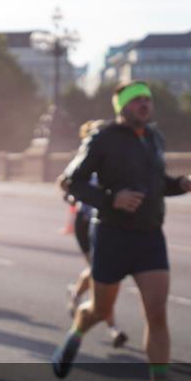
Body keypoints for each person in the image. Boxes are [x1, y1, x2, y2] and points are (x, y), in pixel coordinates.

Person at [52, 81, 191, 381]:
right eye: (137, 101)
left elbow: (156, 184)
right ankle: (75, 334)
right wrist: (111, 199)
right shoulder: (102, 138)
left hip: (149, 237)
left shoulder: (154, 138)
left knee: (157, 313)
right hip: (112, 235)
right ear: (122, 107)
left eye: (148, 99)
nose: (145, 105)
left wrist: (179, 185)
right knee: (101, 311)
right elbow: (71, 182)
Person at [59, 120, 128, 349]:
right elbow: (64, 183)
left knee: (98, 272)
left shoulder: (112, 158)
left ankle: (75, 292)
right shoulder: (83, 158)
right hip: (85, 222)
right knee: (102, 275)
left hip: (106, 224)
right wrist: (73, 197)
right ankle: (113, 328)